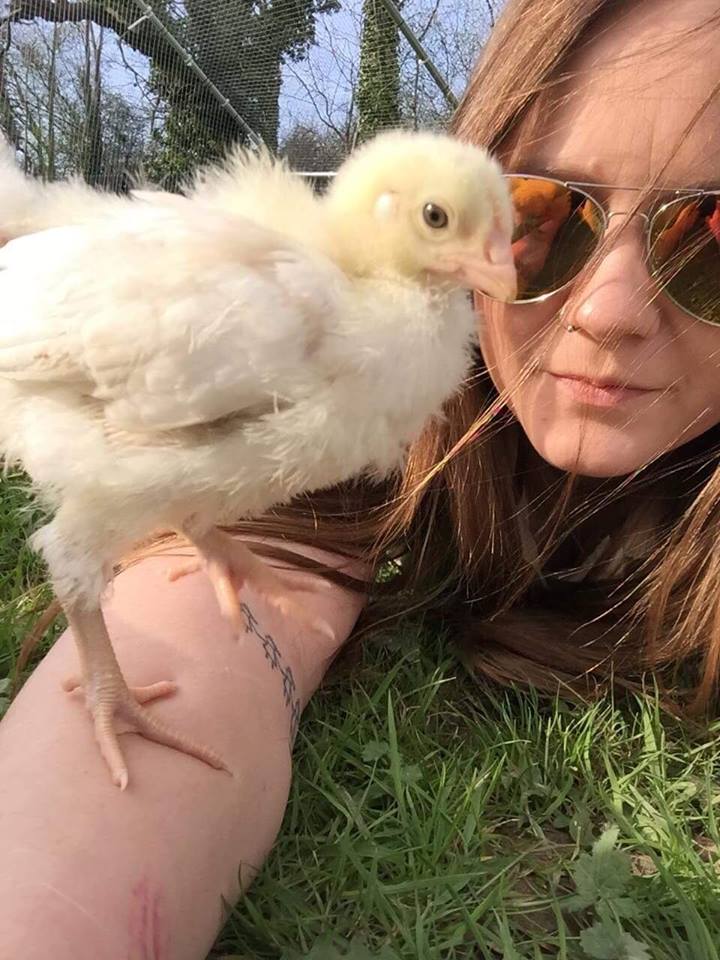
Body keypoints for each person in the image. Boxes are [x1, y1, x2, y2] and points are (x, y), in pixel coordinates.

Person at [1, 0, 719, 955]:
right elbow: (214, 628)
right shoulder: (321, 388)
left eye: (711, 230)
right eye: (547, 216)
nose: (608, 310)